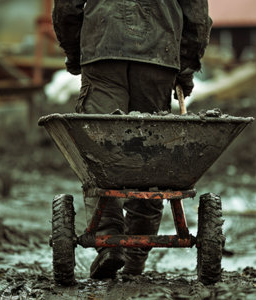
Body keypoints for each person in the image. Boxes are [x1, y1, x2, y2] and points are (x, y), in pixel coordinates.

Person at [52, 0, 212, 279]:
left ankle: (110, 243)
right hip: (158, 54)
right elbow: (195, 12)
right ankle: (136, 255)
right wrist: (186, 66)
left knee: (100, 150)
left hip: (103, 47)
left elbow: (67, 5)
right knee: (149, 154)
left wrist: (76, 50)